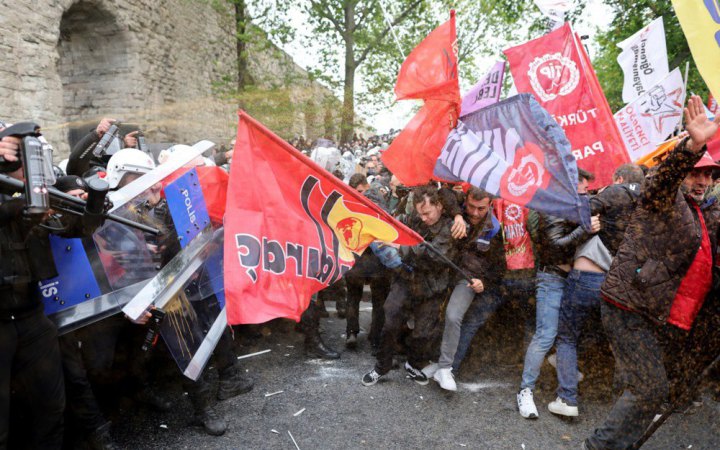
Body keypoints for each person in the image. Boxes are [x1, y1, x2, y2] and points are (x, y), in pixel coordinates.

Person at [584, 96, 720, 449]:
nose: (702, 180)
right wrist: (691, 146)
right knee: (650, 387)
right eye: (696, 172)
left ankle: (621, 444)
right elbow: (660, 179)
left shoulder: (708, 213)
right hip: (631, 305)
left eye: (708, 173)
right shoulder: (664, 196)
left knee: (647, 390)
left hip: (671, 319)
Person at [0, 125, 102, 449]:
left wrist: (95, 200)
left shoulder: (37, 197)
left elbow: (76, 226)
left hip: (32, 317)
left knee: (50, 409)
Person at [549, 164, 644, 418]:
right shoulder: (646, 202)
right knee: (616, 341)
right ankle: (623, 403)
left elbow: (575, 213)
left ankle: (567, 399)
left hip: (586, 277)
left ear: (619, 178)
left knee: (568, 337)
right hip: (616, 282)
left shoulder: (615, 193)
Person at [516, 169, 599, 419]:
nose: (584, 197)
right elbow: (554, 246)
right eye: (581, 191)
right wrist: (585, 228)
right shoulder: (552, 207)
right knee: (546, 334)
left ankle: (561, 365)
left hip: (573, 279)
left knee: (569, 335)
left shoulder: (572, 206)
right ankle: (525, 390)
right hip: (552, 277)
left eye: (587, 192)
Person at [362, 185, 457, 386]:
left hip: (432, 286)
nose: (423, 218)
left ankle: (413, 363)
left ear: (439, 206)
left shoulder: (450, 227)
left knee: (423, 332)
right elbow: (399, 226)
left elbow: (434, 254)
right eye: (420, 213)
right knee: (390, 320)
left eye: (427, 213)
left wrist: (400, 246)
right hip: (406, 278)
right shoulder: (415, 216)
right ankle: (382, 366)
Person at [421, 187, 505, 391]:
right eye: (471, 207)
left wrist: (483, 281)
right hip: (445, 273)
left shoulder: (494, 228)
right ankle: (438, 361)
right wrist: (459, 215)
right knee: (436, 316)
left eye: (481, 208)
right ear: (465, 201)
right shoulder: (458, 207)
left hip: (469, 279)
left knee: (453, 316)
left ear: (490, 205)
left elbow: (500, 267)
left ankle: (446, 367)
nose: (475, 213)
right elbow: (444, 193)